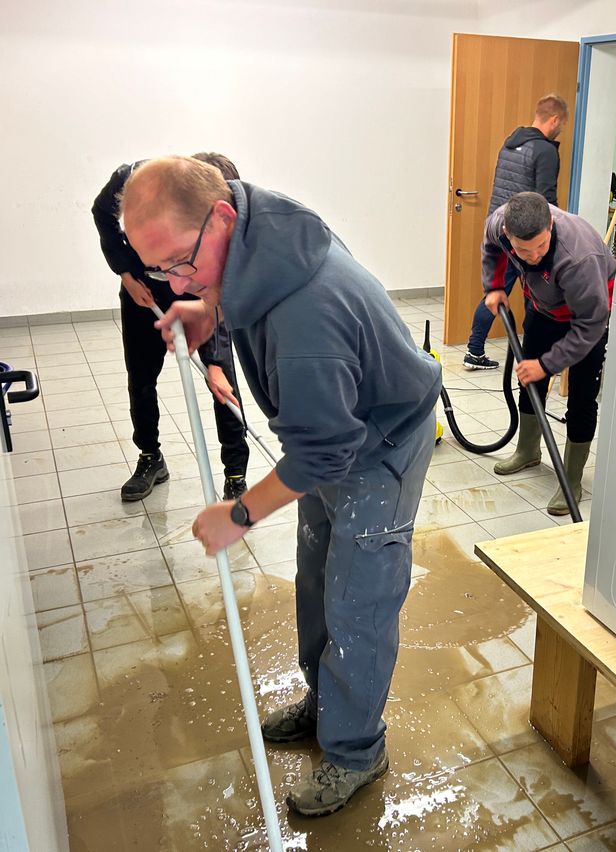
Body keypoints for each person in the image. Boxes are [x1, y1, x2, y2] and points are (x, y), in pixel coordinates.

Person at [120, 157, 442, 816]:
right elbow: (228, 289)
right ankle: (323, 703)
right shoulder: (257, 228)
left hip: (377, 444)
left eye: (181, 263)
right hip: (333, 425)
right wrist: (207, 317)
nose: (175, 280)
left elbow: (325, 454)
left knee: (358, 600)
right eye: (161, 271)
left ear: (222, 216)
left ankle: (356, 751)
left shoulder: (307, 321)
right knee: (317, 575)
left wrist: (238, 515)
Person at [92, 153, 250, 502]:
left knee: (223, 381)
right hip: (143, 291)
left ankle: (235, 474)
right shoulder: (133, 181)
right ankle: (151, 457)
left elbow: (224, 281)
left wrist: (214, 357)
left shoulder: (224, 227)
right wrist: (126, 274)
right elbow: (101, 213)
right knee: (141, 376)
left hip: (199, 288)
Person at [483, 192, 616, 515]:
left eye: (540, 247)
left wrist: (548, 364)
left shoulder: (578, 258)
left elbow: (591, 325)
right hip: (543, 308)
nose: (531, 256)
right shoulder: (500, 224)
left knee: (582, 398)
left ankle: (571, 478)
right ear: (508, 235)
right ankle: (528, 449)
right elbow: (490, 249)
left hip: (587, 316)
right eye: (523, 250)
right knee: (528, 380)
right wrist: (495, 286)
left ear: (551, 225)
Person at [463, 94, 569, 371]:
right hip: (524, 232)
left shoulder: (510, 144)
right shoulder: (545, 151)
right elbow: (546, 201)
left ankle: (475, 349)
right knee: (535, 295)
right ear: (555, 119)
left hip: (500, 228)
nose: (561, 130)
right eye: (562, 124)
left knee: (496, 290)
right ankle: (529, 354)